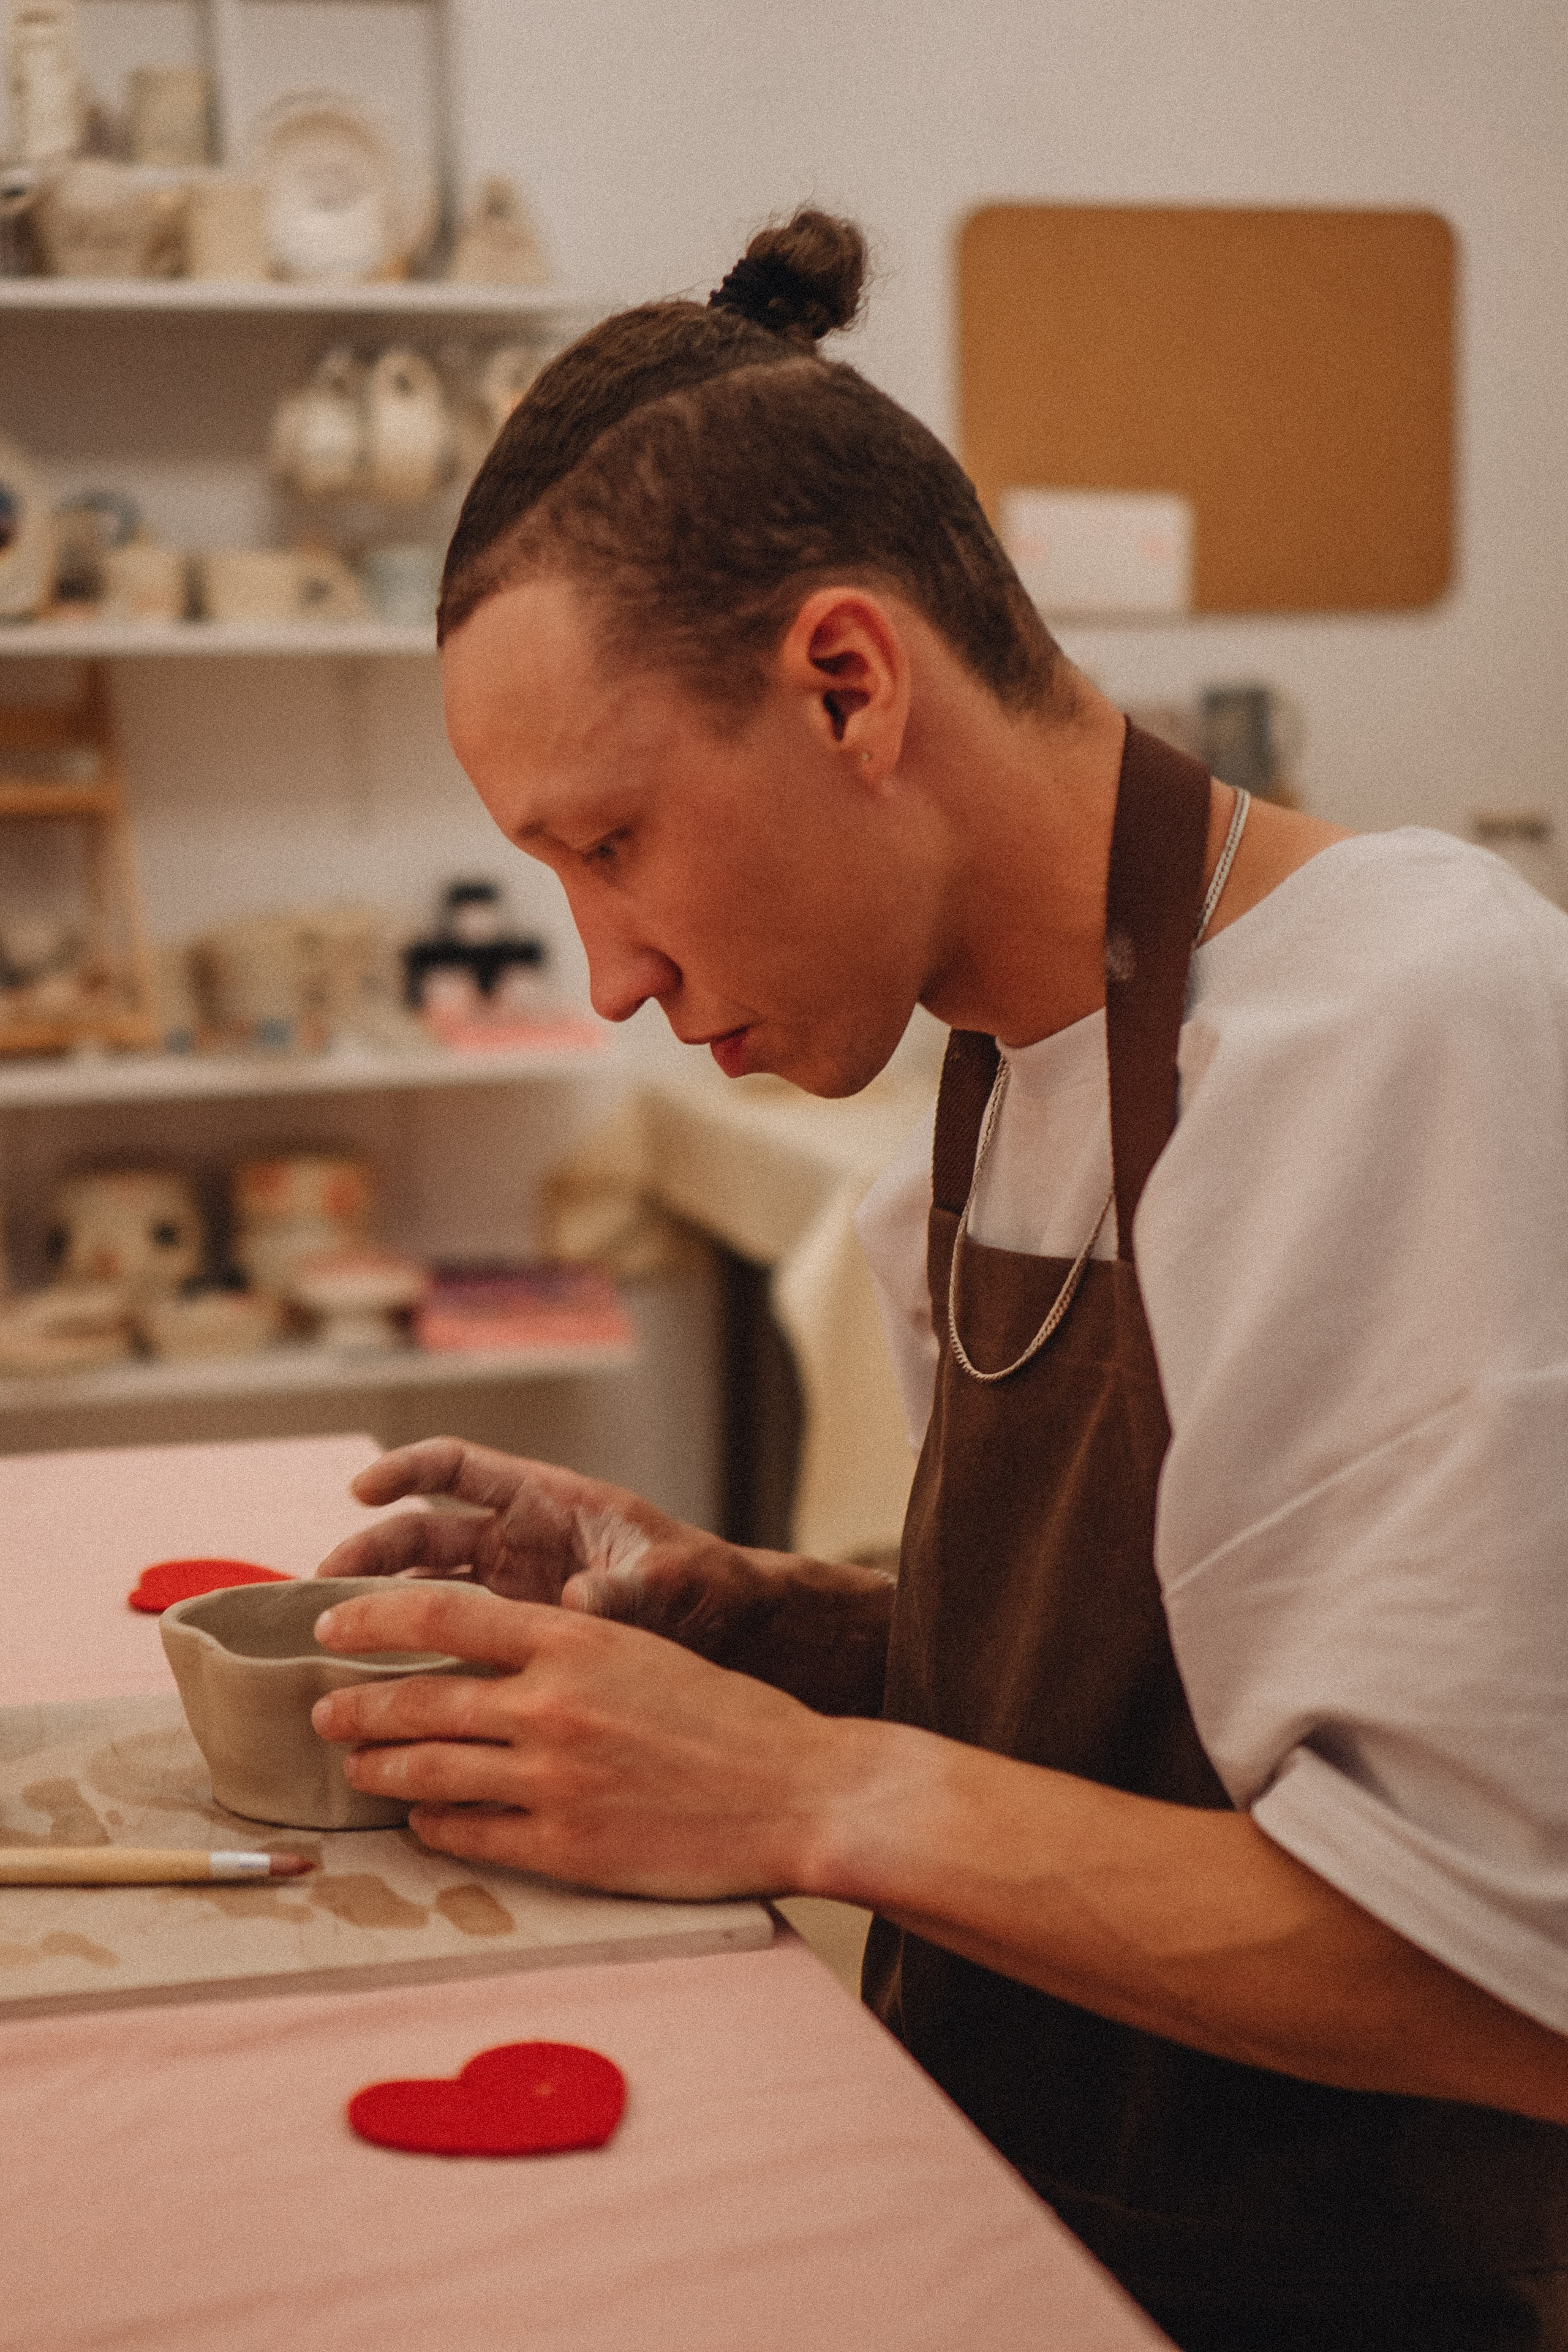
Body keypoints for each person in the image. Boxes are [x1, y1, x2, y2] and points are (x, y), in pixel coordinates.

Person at [309, 210, 1568, 2348]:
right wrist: (761, 1630)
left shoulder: (1419, 1040)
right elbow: (1204, 1718)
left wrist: (803, 1793)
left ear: (846, 682)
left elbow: (1498, 1971)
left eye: (610, 846)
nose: (606, 976)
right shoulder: (999, 1086)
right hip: (1013, 2228)